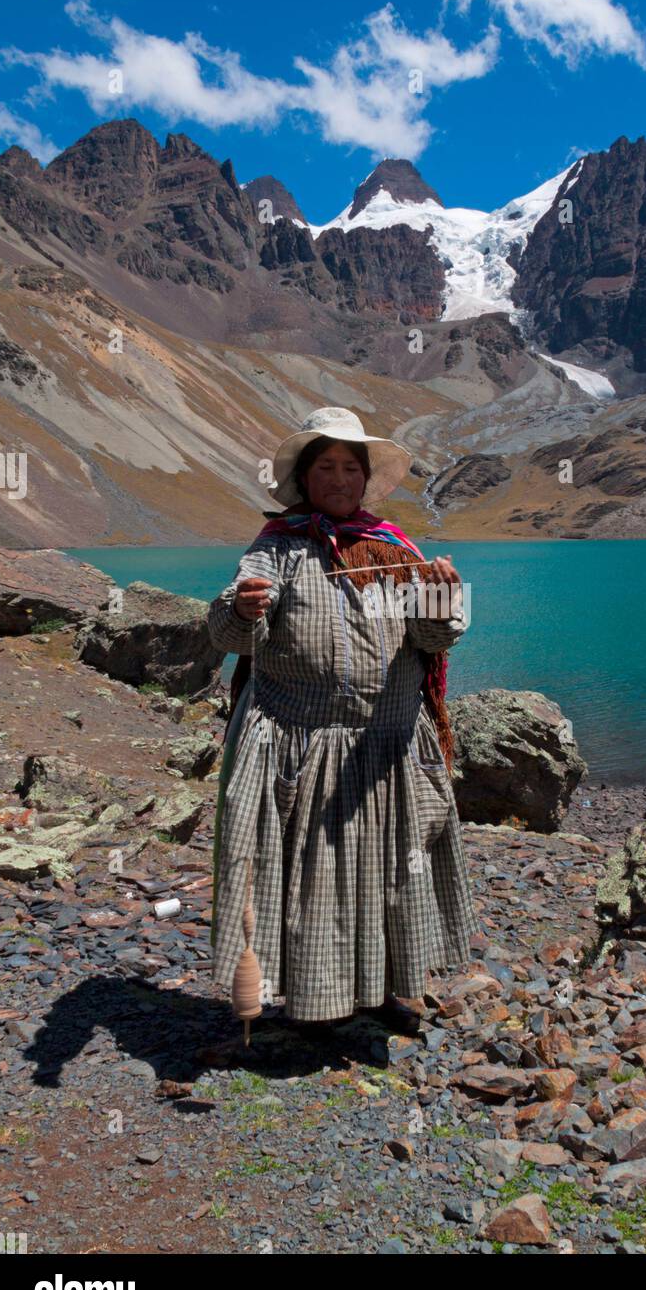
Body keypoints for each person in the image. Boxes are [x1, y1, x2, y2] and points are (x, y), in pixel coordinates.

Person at [207, 406, 476, 1036]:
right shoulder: (277, 551)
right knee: (314, 880)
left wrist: (442, 598)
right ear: (305, 477)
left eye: (350, 467)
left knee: (386, 872)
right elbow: (232, 634)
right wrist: (241, 610)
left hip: (385, 745)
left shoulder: (394, 550)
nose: (338, 478)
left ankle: (383, 989)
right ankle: (313, 1000)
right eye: (325, 466)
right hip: (299, 741)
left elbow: (433, 638)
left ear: (365, 479)